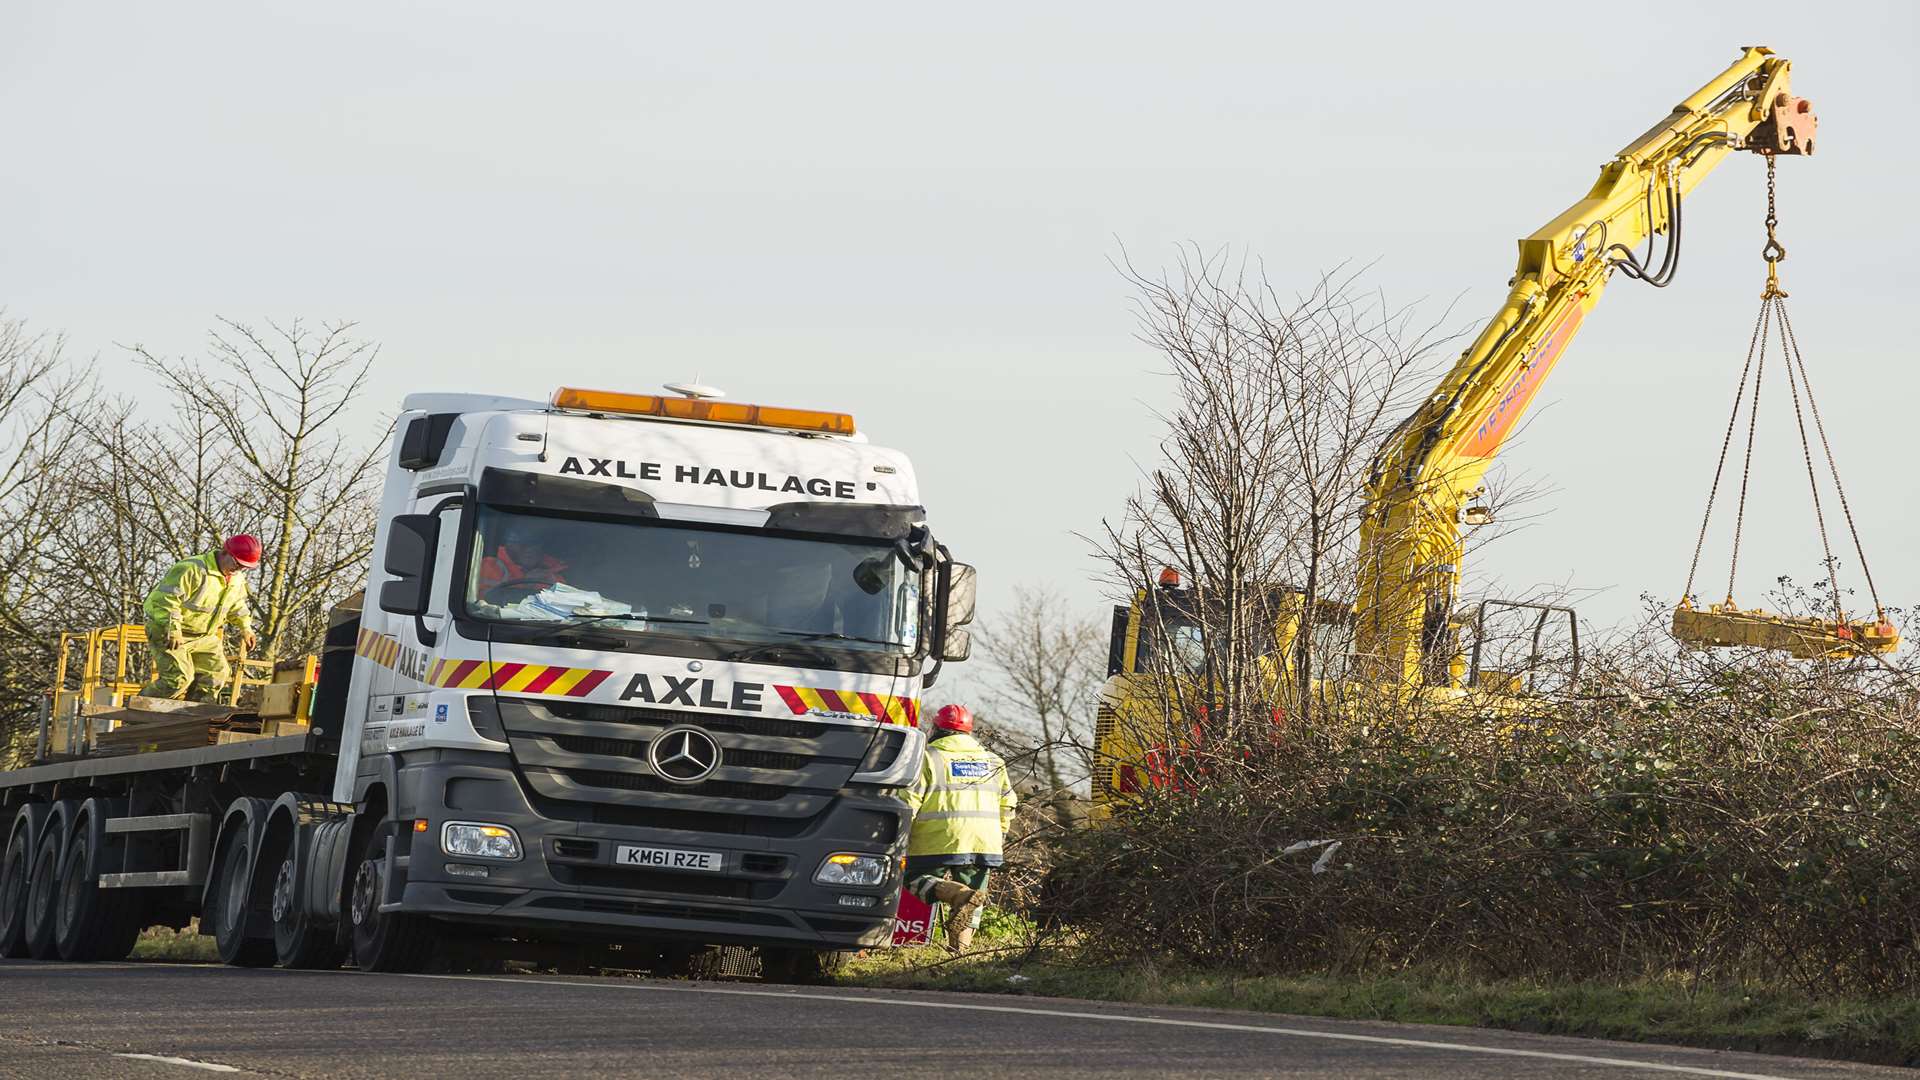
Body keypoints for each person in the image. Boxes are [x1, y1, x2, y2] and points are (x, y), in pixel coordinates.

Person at [902, 704, 1016, 951]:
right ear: (968, 732)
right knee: (975, 897)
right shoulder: (993, 760)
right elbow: (1009, 803)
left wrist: (899, 835)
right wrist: (1000, 835)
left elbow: (909, 800)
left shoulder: (928, 757)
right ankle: (959, 953)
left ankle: (955, 893)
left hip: (938, 838)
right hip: (984, 842)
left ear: (936, 728)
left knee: (911, 878)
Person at [140, 535, 261, 702]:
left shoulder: (236, 579)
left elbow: (237, 606)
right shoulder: (192, 569)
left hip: (204, 637)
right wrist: (173, 630)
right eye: (237, 563)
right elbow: (165, 600)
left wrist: (245, 628)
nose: (239, 568)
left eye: (244, 566)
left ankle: (194, 717)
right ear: (225, 552)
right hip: (171, 632)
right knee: (179, 679)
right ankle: (139, 707)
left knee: (217, 674)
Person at [476, 519, 568, 598]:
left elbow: (566, 604)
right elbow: (482, 604)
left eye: (535, 543)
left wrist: (553, 584)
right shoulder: (490, 566)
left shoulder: (553, 572)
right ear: (509, 544)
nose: (530, 549)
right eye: (523, 544)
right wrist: (526, 584)